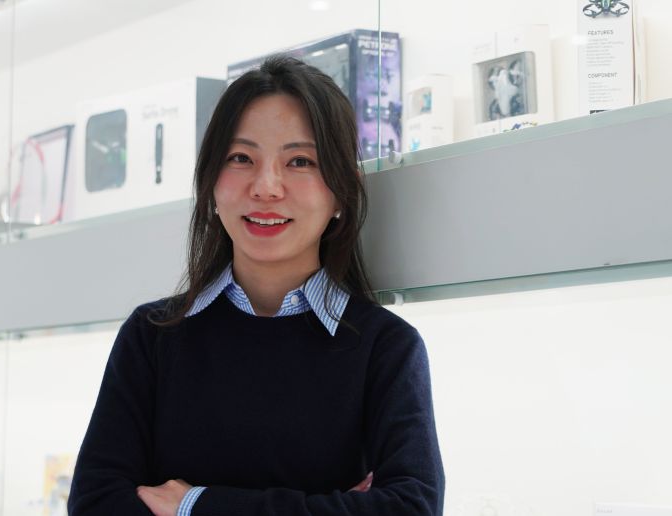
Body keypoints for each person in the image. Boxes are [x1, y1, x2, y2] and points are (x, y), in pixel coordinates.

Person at [67, 55, 444, 516]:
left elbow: (410, 508)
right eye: (241, 158)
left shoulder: (386, 348)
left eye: (300, 161)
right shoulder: (152, 336)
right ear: (210, 181)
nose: (266, 187)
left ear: (342, 193)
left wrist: (195, 504)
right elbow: (95, 504)